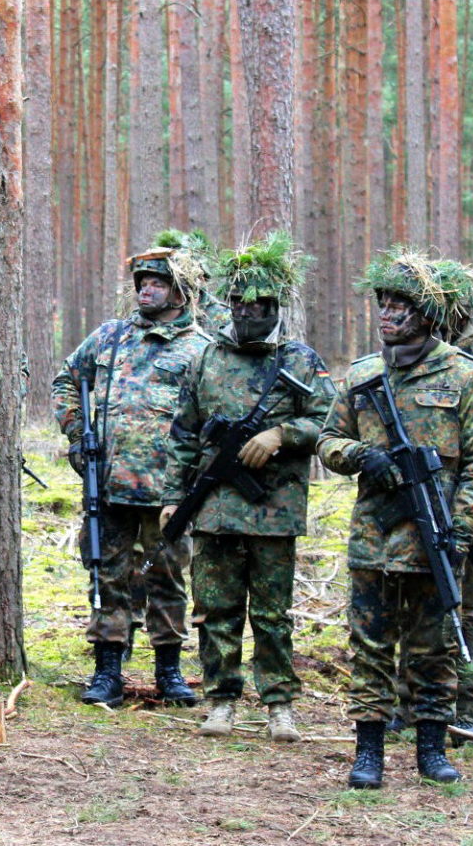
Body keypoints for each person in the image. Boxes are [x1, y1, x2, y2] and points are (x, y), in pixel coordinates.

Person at [318, 251, 473, 789]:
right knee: (369, 644)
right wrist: (360, 456)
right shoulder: (362, 375)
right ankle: (368, 751)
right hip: (374, 535)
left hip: (437, 537)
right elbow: (328, 441)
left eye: (402, 305)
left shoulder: (467, 377)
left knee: (434, 646)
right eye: (384, 303)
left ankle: (431, 748)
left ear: (429, 315)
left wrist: (460, 533)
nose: (388, 313)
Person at [158, 231, 333, 740]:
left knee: (274, 614)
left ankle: (279, 703)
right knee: (216, 608)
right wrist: (173, 498)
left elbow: (328, 422)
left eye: (260, 305)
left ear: (275, 305)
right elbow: (183, 433)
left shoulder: (300, 360)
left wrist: (282, 433)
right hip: (213, 506)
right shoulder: (207, 358)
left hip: (274, 506)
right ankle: (221, 699)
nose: (249, 312)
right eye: (239, 303)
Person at [50, 232, 211, 708]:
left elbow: (209, 417)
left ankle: (170, 670)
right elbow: (66, 380)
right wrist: (77, 432)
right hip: (109, 484)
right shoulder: (109, 337)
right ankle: (107, 669)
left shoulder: (200, 349)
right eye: (143, 281)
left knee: (166, 578)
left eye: (158, 283)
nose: (147, 289)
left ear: (182, 292)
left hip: (168, 492)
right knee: (107, 576)